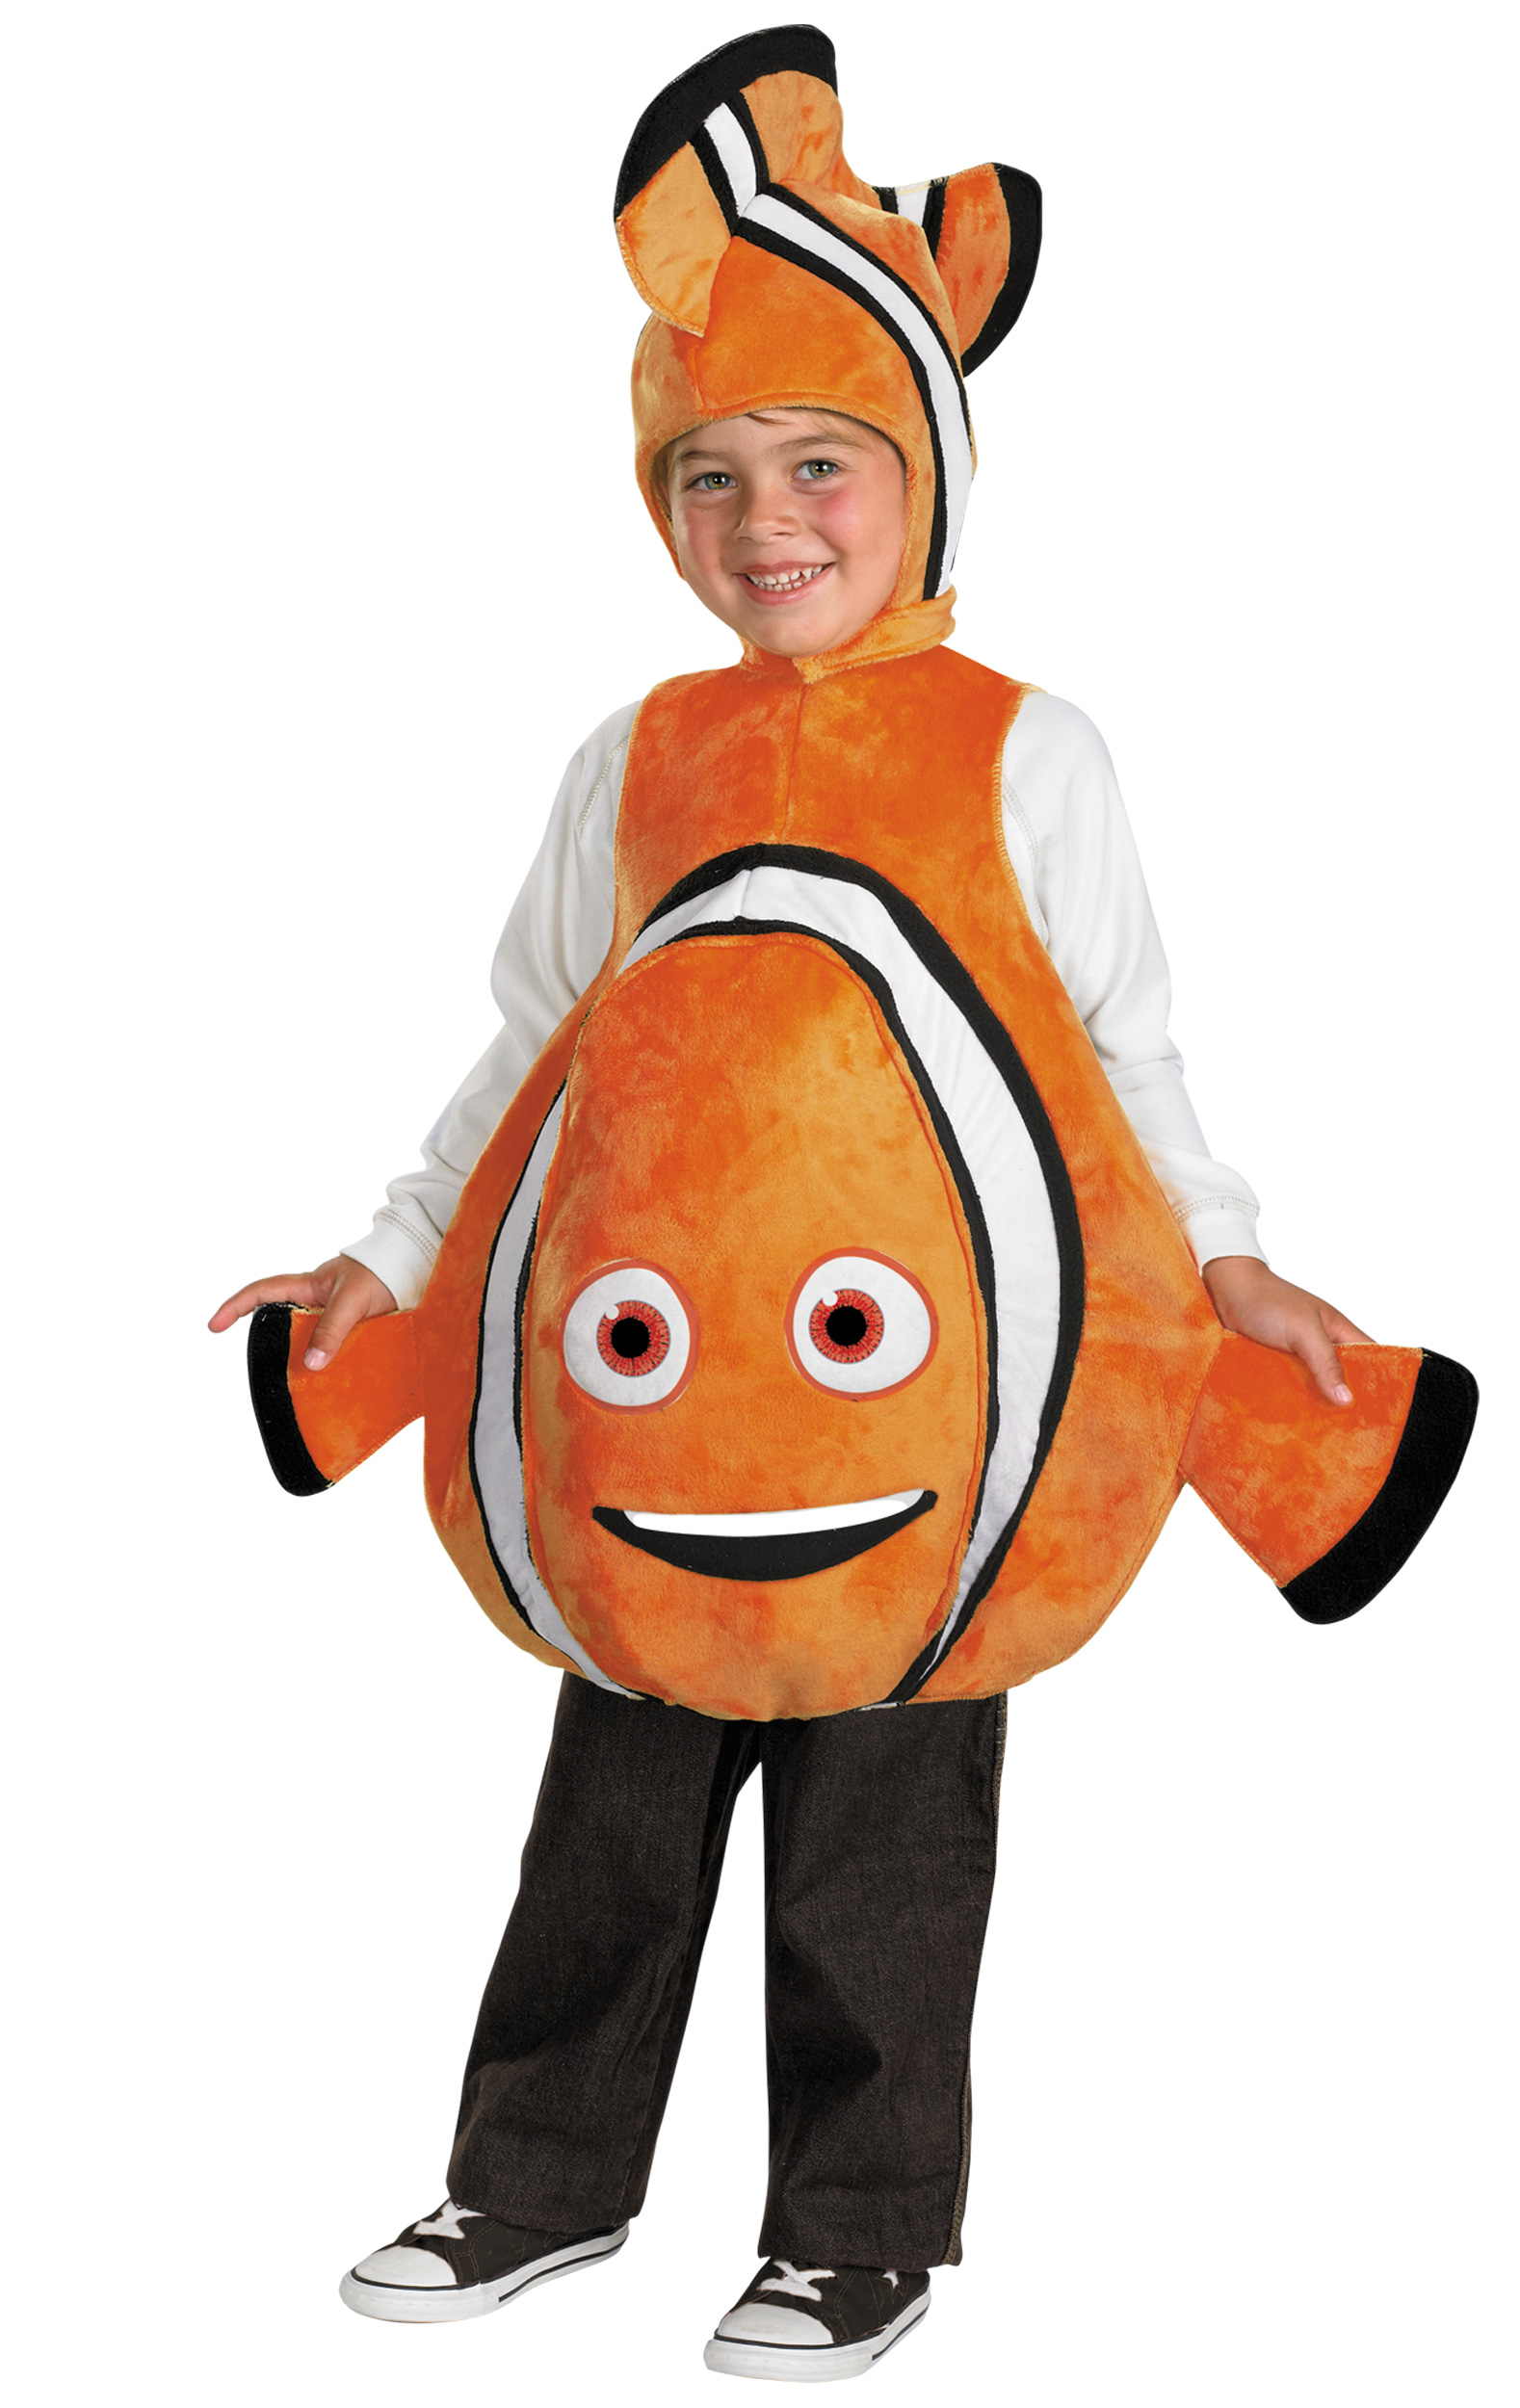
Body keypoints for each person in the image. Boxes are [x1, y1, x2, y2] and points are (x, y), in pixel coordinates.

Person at [210, 30, 1374, 2383]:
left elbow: (1126, 1053)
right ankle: (532, 2181)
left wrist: (1228, 1258)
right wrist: (392, 1255)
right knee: (603, 1821)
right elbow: (530, 1049)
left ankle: (857, 2228)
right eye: (707, 474)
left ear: (924, 476)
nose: (767, 519)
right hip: (647, 1426)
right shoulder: (633, 755)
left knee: (886, 1843)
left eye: (820, 459)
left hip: (927, 1428)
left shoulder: (1027, 748)